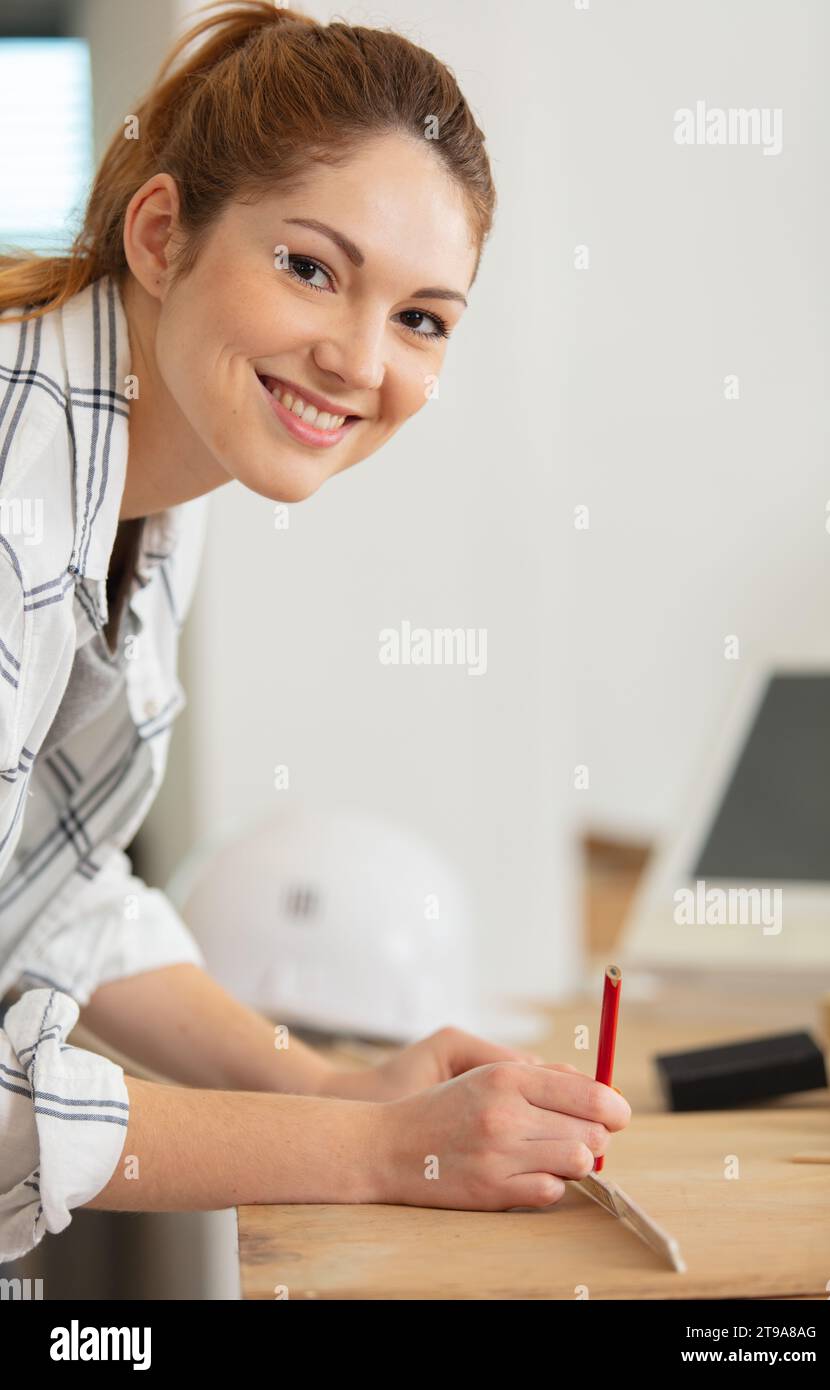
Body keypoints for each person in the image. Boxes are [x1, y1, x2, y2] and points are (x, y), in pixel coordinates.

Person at [0, 1, 630, 1264]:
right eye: (309, 267)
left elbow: (51, 887)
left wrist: (333, 1092)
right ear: (164, 234)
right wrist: (386, 1150)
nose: (355, 359)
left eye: (420, 317)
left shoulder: (152, 474)